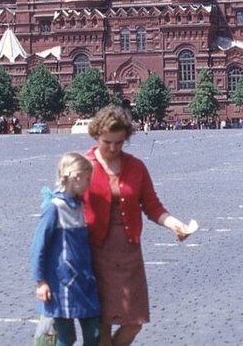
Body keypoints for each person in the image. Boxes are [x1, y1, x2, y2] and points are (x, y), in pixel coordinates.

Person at [83, 105, 191, 346]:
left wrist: (175, 225)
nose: (112, 148)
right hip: (94, 255)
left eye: (119, 143)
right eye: (107, 142)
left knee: (134, 321)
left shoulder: (136, 167)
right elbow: (66, 205)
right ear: (96, 135)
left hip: (129, 254)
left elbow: (153, 207)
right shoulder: (84, 165)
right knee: (102, 325)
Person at [31, 152, 100, 346]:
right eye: (87, 179)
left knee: (95, 332)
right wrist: (40, 281)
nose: (89, 184)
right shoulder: (54, 207)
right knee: (64, 337)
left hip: (84, 282)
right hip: (61, 285)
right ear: (76, 178)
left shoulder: (79, 206)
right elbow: (38, 246)